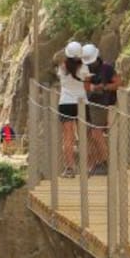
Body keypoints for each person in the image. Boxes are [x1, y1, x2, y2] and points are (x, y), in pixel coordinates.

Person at [83, 43, 121, 174]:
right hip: (88, 104)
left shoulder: (107, 68)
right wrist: (92, 88)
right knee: (89, 135)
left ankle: (105, 162)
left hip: (102, 105)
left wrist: (104, 88)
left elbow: (117, 83)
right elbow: (85, 85)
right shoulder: (85, 69)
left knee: (96, 133)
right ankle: (94, 164)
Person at [57, 41, 88, 175]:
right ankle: (87, 165)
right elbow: (87, 85)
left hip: (65, 103)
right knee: (84, 136)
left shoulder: (62, 68)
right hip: (81, 102)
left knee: (68, 138)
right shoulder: (84, 68)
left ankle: (69, 167)